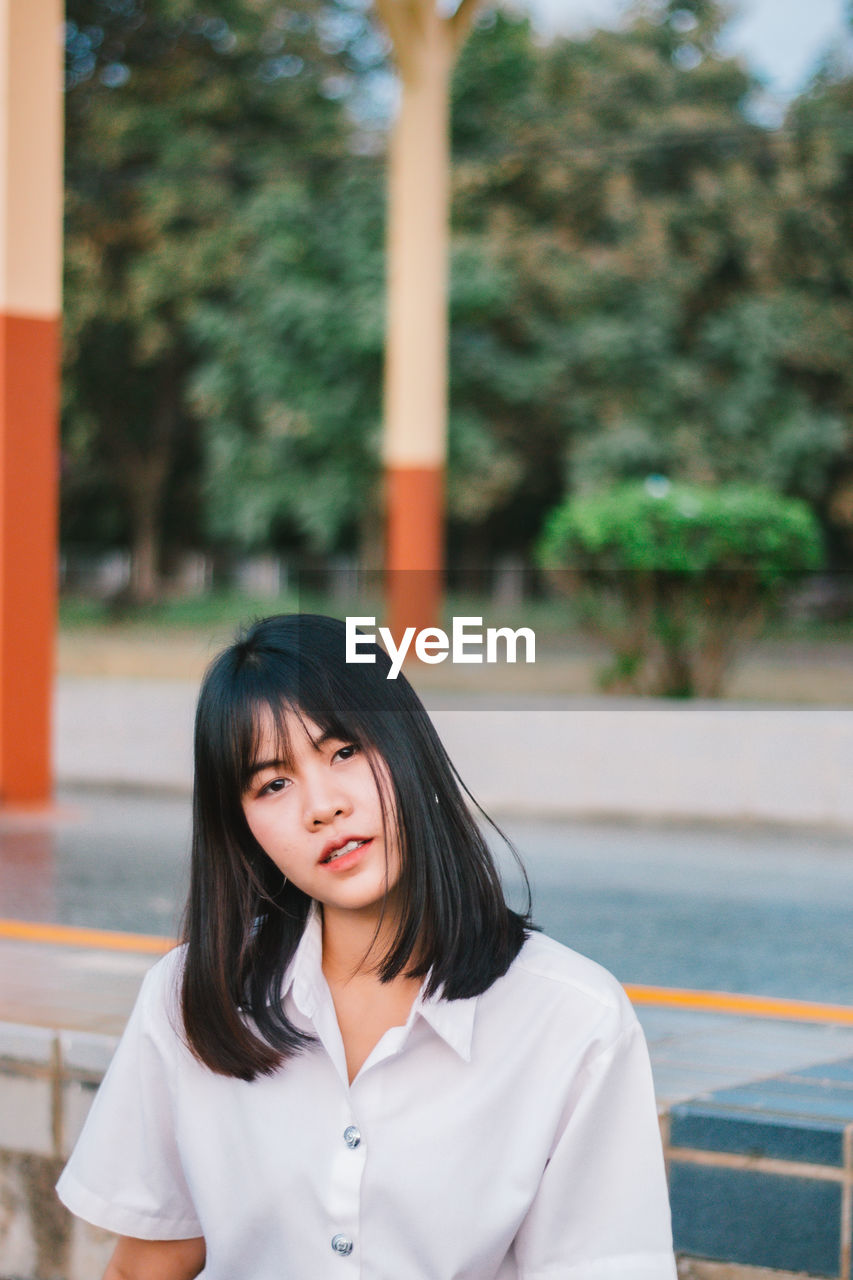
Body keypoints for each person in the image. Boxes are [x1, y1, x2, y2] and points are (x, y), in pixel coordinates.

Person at [57, 613, 677, 1279]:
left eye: (344, 751)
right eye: (273, 783)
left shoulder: (573, 1019)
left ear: (406, 746)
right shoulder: (193, 995)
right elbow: (145, 1267)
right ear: (242, 829)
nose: (321, 806)